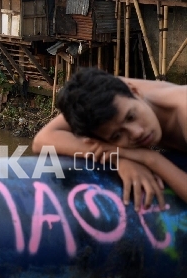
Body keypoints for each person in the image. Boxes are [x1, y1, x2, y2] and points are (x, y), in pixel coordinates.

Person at [33, 67, 187, 211]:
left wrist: (150, 159)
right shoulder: (110, 99)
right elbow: (42, 139)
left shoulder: (182, 105)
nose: (136, 133)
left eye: (131, 117)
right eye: (117, 136)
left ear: (135, 92)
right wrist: (118, 157)